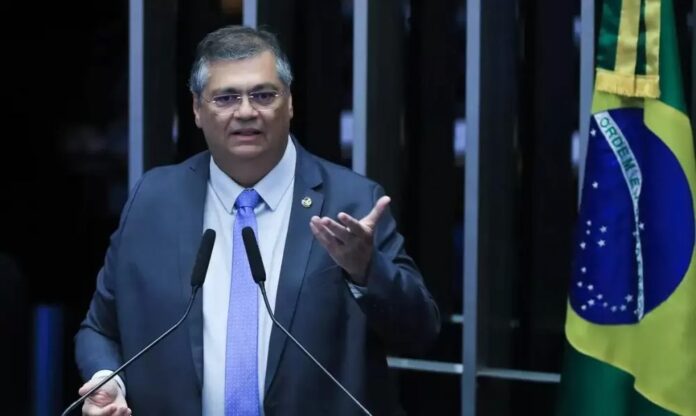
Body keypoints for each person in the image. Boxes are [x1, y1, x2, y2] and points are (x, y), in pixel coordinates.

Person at [74, 25, 440, 416]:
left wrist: (366, 270)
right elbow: (100, 328)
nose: (246, 112)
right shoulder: (154, 199)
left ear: (290, 103)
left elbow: (420, 333)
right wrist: (108, 379)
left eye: (263, 95)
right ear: (197, 109)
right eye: (226, 97)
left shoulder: (351, 201)